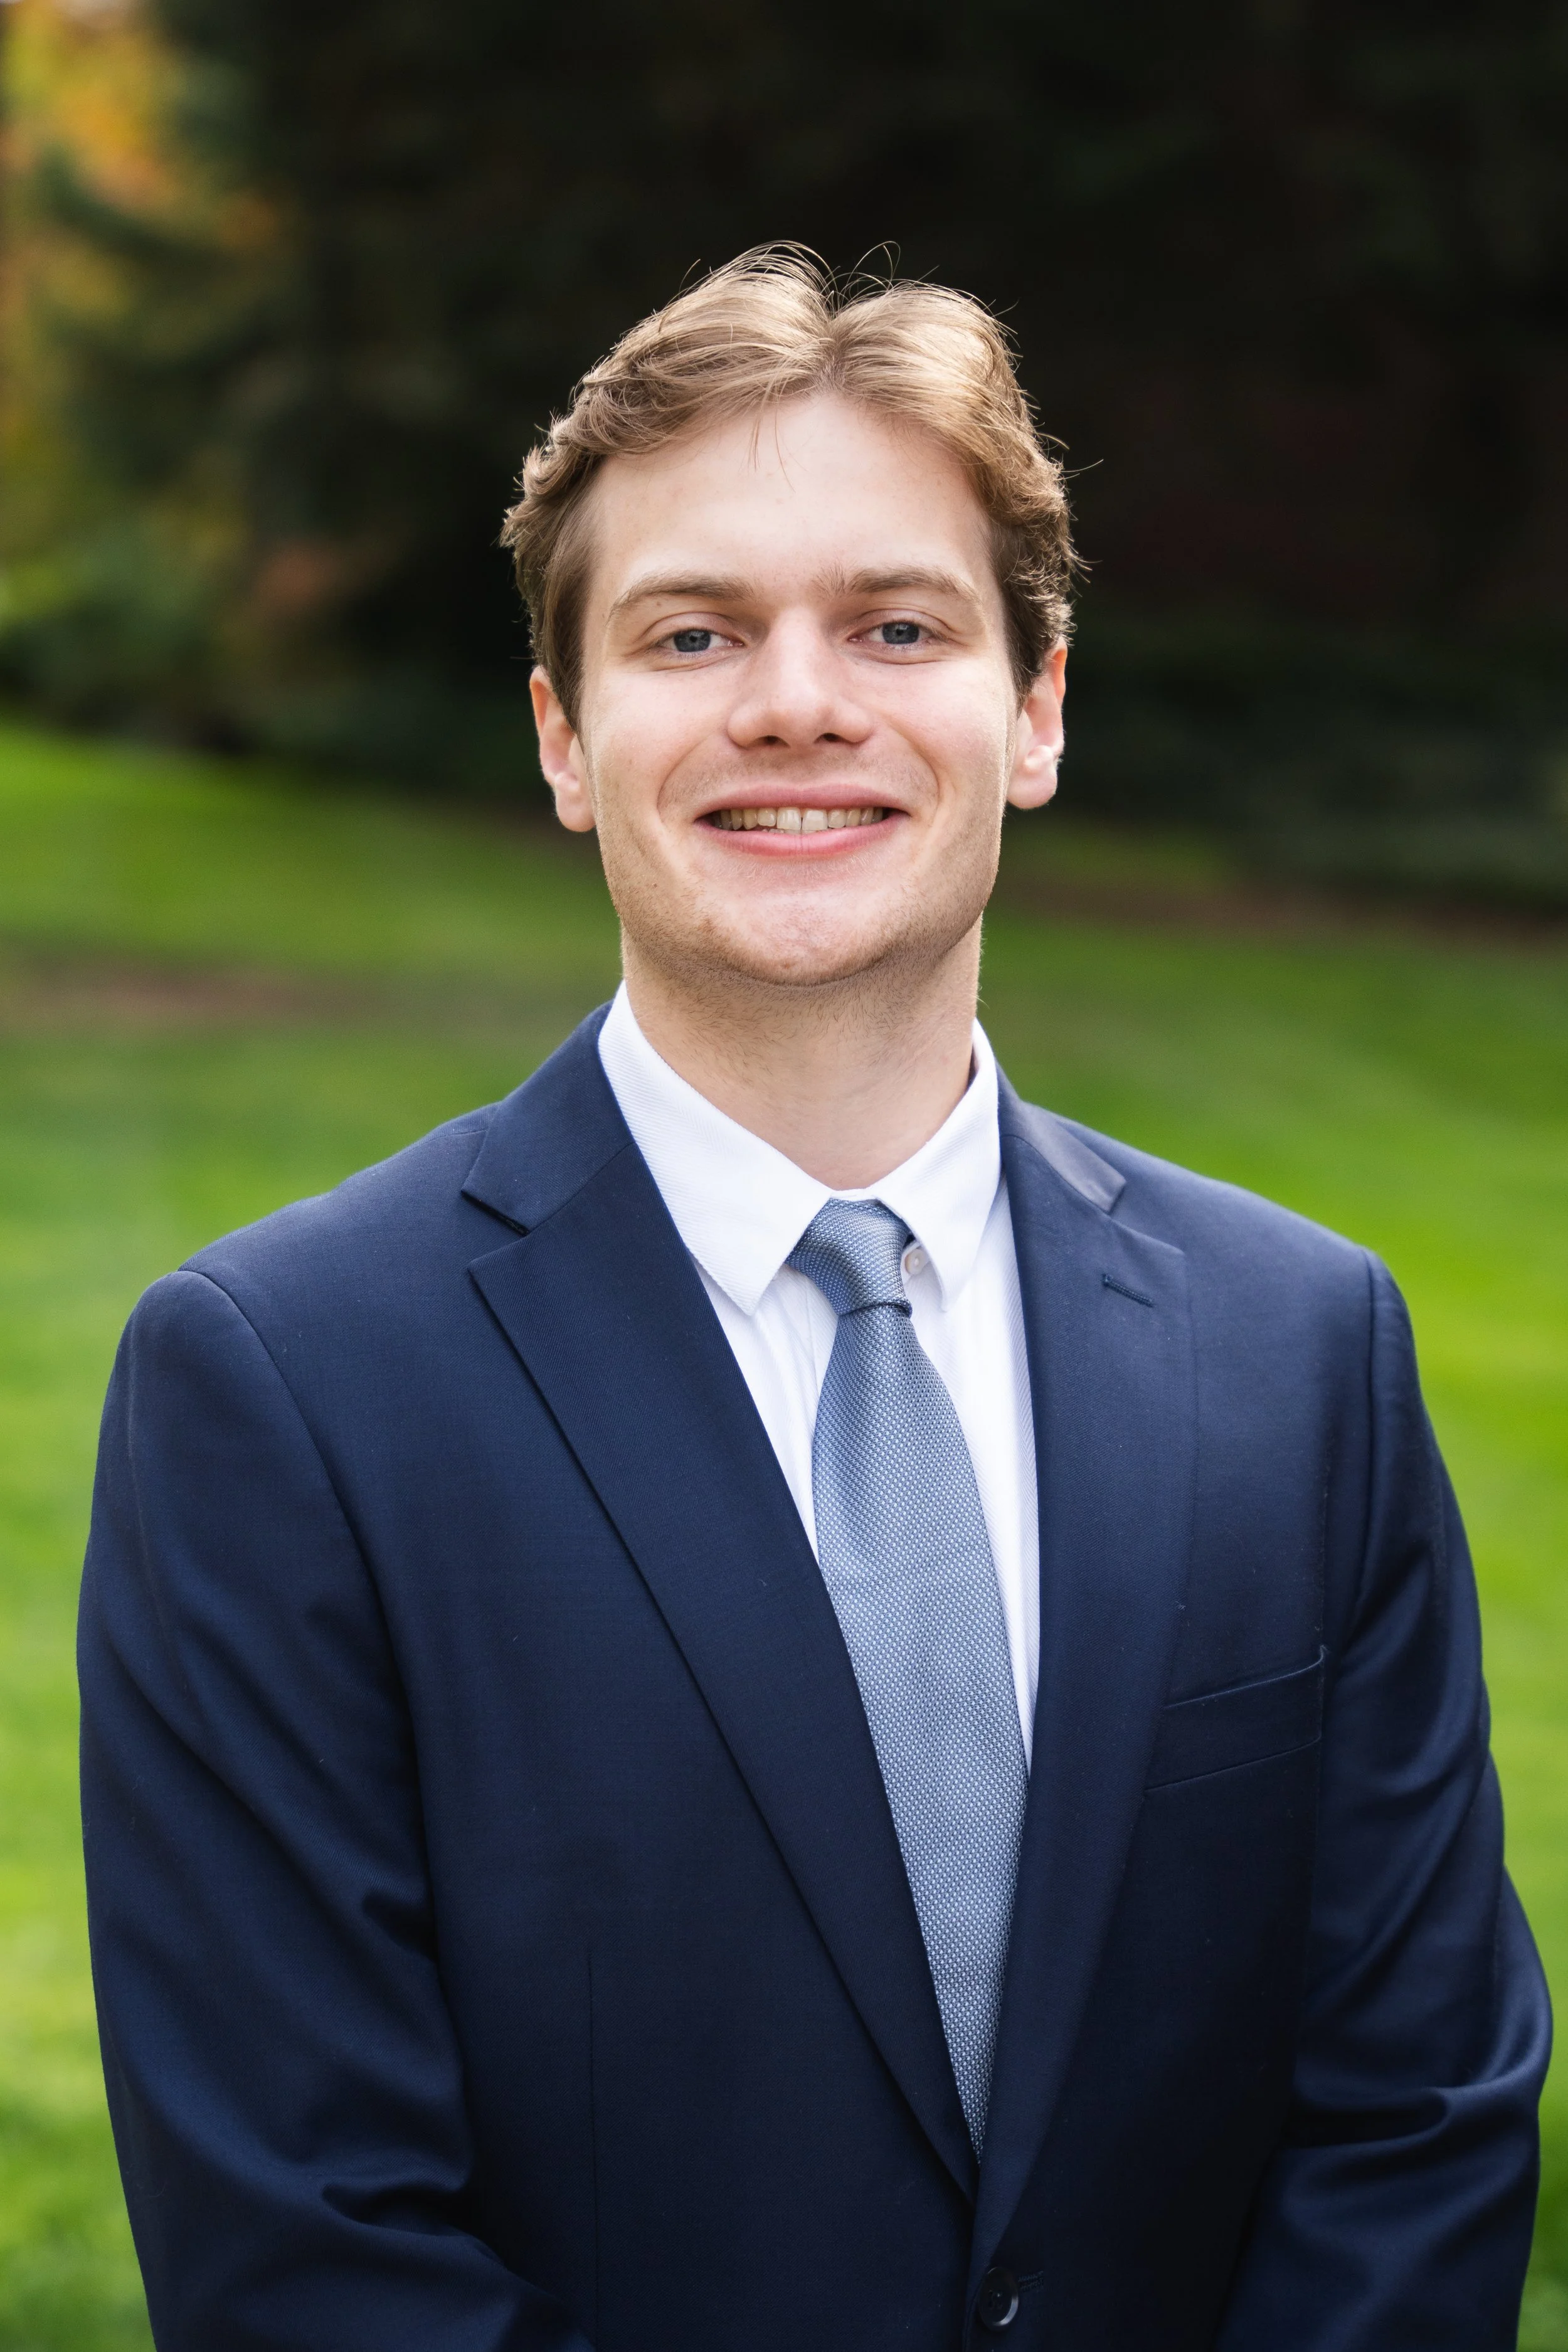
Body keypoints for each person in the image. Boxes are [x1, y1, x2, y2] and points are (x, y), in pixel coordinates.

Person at [80, 248, 1549, 2352]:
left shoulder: (1297, 1348)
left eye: (896, 623)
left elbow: (1411, 2121)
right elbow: (305, 2239)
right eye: (691, 633)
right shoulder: (286, 1389)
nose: (796, 698)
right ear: (566, 738)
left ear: (1031, 711)